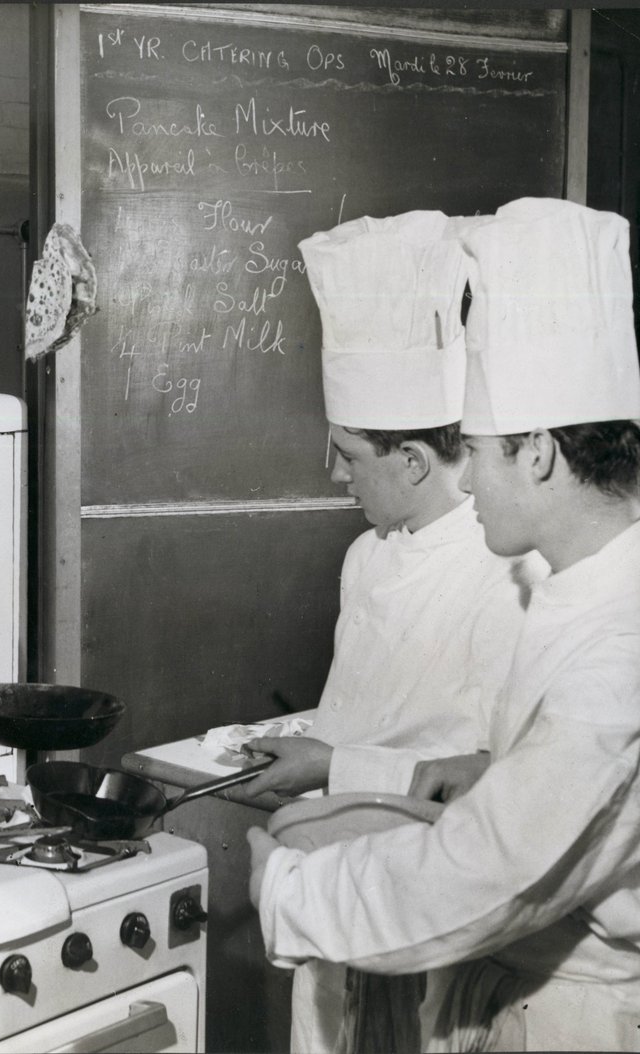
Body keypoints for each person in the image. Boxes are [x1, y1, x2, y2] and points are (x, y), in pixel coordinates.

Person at [249, 197, 640, 1051]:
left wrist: (286, 892)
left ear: (536, 452)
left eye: (481, 449)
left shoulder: (617, 653)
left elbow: (488, 877)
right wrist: (490, 768)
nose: (467, 486)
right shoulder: (596, 594)